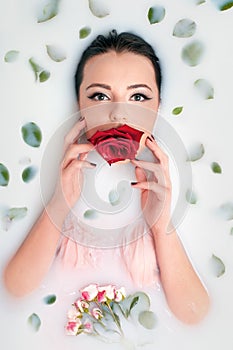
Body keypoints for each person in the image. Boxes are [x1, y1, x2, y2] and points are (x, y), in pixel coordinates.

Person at [3, 30, 210, 324]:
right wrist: (60, 204)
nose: (117, 114)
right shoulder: (57, 178)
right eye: (100, 96)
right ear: (79, 105)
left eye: (138, 96)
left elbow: (195, 316)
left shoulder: (180, 183)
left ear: (158, 107)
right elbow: (15, 290)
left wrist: (161, 222)